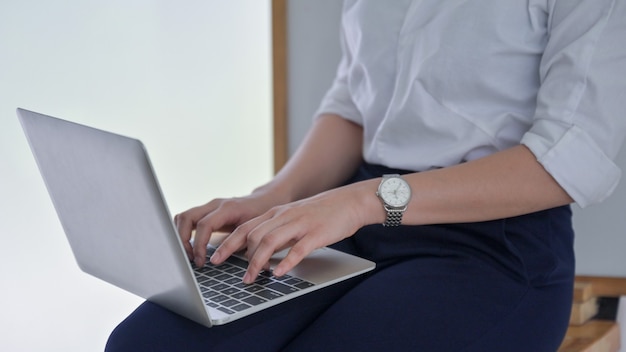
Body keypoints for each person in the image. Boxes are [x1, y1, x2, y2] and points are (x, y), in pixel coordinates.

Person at [106, 1, 626, 351]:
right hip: (351, 222)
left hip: (489, 244)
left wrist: (364, 201)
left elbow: (571, 158)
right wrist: (275, 195)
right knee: (147, 343)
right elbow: (355, 101)